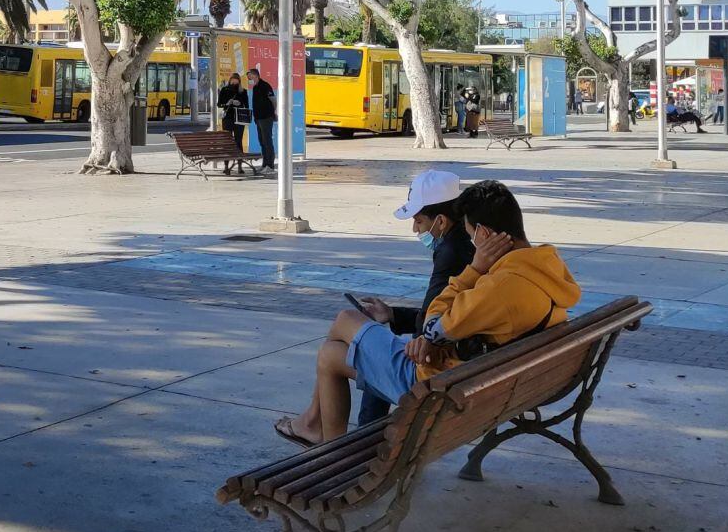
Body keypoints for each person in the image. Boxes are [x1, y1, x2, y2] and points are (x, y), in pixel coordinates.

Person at [275, 180, 581, 446]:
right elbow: (448, 327)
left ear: (485, 234)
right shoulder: (545, 264)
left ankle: (322, 438)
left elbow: (434, 322)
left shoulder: (501, 285)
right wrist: (430, 334)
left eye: (473, 236)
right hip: (482, 381)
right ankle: (322, 436)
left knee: (343, 322)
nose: (472, 244)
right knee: (330, 353)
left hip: (437, 385)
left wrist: (473, 271)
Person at [350, 171, 475, 427]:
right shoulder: (463, 244)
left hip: (440, 371)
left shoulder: (450, 254)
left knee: (347, 338)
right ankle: (347, 437)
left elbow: (426, 328)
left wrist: (406, 326)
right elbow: (441, 311)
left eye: (418, 221)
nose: (415, 229)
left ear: (440, 221)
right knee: (366, 354)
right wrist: (392, 315)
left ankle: (349, 441)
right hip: (466, 364)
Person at [217, 73, 247, 174]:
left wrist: (240, 103)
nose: (234, 82)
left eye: (236, 80)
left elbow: (246, 105)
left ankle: (239, 166)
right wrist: (227, 103)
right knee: (227, 142)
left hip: (239, 119)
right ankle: (226, 166)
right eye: (232, 80)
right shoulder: (224, 90)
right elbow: (219, 104)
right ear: (230, 80)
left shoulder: (243, 91)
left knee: (238, 141)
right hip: (228, 118)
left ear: (239, 81)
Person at [247, 68, 276, 172]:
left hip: (266, 117)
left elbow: (273, 100)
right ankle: (265, 164)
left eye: (250, 76)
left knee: (267, 140)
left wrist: (274, 112)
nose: (249, 78)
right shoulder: (255, 88)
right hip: (258, 118)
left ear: (255, 75)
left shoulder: (265, 86)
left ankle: (270, 165)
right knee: (262, 141)